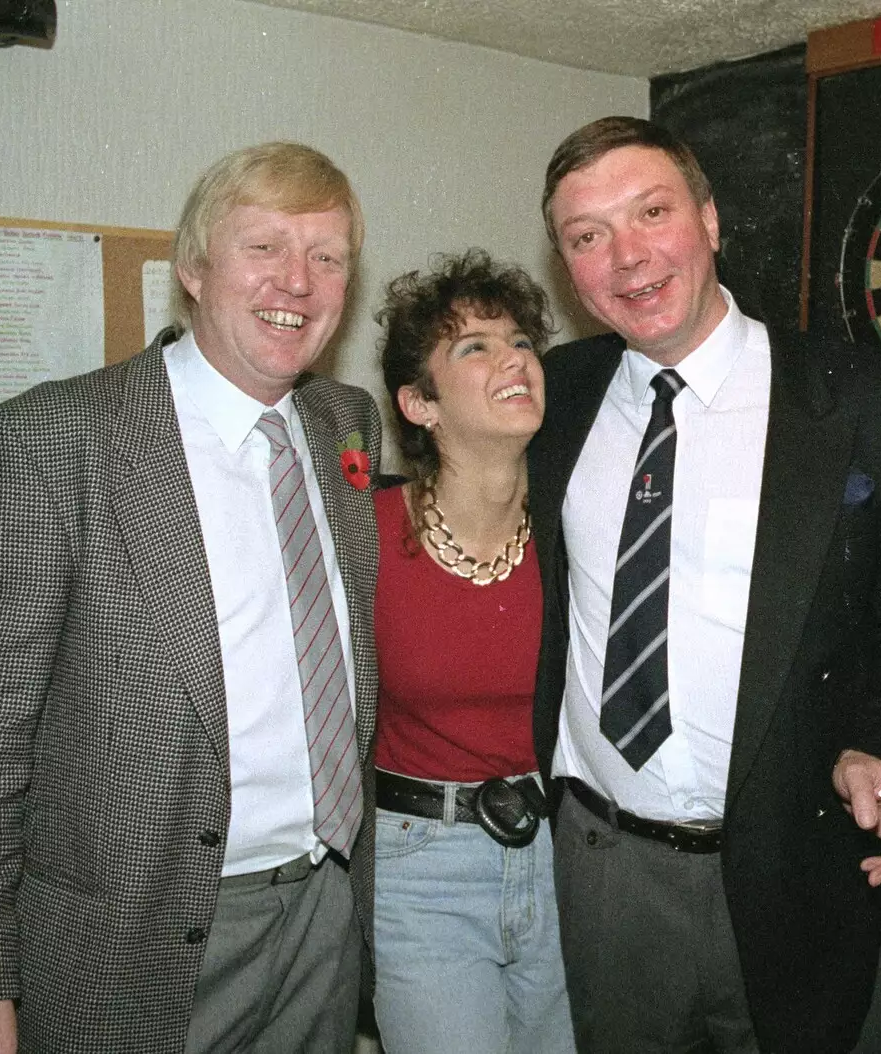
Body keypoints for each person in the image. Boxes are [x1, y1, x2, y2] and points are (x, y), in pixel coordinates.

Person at [0, 142, 381, 1054]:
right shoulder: (55, 439)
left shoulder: (343, 423)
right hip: (129, 940)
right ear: (194, 268)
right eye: (265, 248)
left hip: (326, 912)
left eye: (328, 256)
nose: (299, 281)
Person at [529, 116, 881, 1054]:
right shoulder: (552, 398)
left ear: (713, 221)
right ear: (568, 265)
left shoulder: (865, 403)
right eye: (587, 236)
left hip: (801, 868)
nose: (628, 256)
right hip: (607, 876)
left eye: (652, 212)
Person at [369, 249, 576, 1053]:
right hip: (420, 870)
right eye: (474, 348)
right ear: (419, 404)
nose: (513, 359)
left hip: (564, 860)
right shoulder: (368, 536)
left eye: (521, 340)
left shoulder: (579, 528)